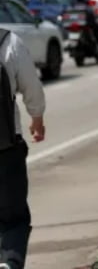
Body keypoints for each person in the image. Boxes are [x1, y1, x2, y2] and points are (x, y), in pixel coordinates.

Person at [0, 29, 45, 269]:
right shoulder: (8, 42)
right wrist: (37, 119)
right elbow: (31, 86)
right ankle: (9, 263)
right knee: (14, 219)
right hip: (6, 147)